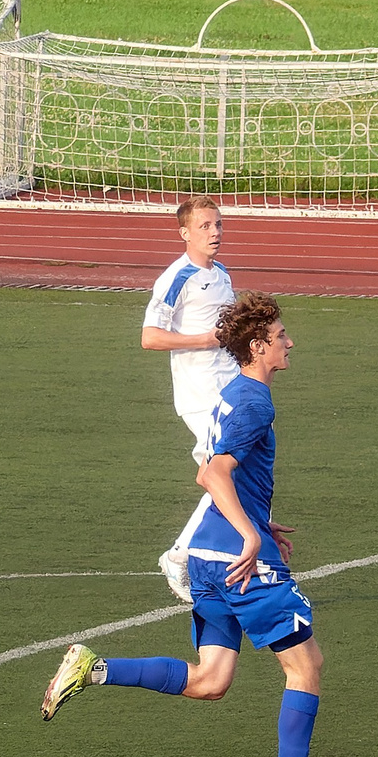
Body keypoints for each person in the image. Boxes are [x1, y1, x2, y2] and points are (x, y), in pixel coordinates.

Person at [42, 292, 348, 757]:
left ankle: (95, 669)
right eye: (280, 337)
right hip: (239, 562)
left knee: (211, 681)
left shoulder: (232, 393)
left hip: (204, 557)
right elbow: (212, 474)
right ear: (257, 346)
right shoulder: (256, 401)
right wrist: (252, 538)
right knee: (307, 667)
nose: (289, 342)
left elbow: (219, 472)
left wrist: (256, 518)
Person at [143, 197, 240, 603]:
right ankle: (181, 555)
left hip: (232, 388)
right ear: (185, 232)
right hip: (200, 393)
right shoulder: (176, 278)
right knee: (224, 473)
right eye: (204, 226)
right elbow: (150, 337)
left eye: (218, 224)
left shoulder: (220, 274)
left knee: (234, 472)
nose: (214, 232)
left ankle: (215, 559)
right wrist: (204, 340)